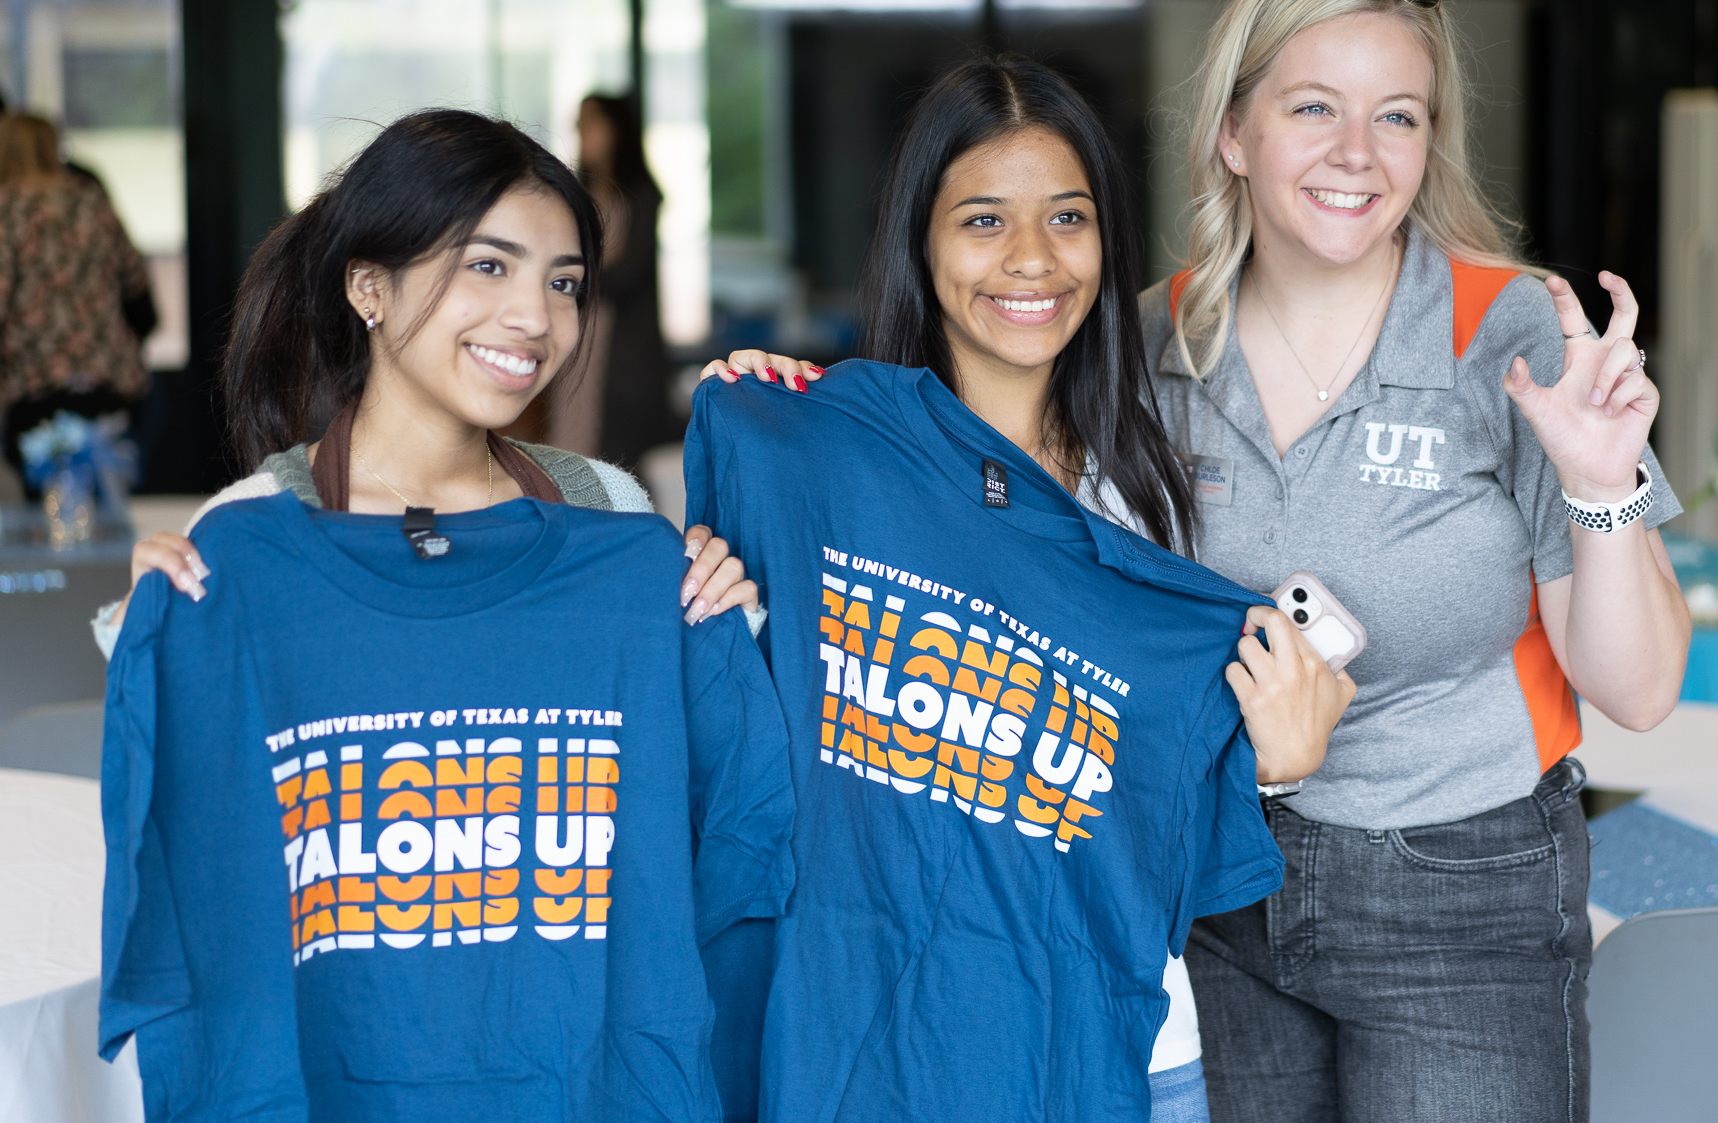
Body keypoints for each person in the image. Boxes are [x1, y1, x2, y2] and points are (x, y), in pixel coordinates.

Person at [696, 56, 1354, 1123]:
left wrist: (1273, 768)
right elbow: (739, 747)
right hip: (855, 1049)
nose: (1032, 260)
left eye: (1066, 218)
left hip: (1098, 1049)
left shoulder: (1157, 487)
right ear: (922, 239)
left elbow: (1158, 785)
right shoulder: (827, 464)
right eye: (983, 222)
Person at [1141, 0, 1691, 1123]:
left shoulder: (1516, 333)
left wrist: (1600, 487)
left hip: (1463, 887)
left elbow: (1639, 691)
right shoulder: (1151, 344)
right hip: (1213, 879)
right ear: (1232, 133)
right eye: (1310, 109)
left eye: (1397, 115)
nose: (1356, 153)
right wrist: (790, 398)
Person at [98, 108, 753, 654]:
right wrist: (150, 630)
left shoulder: (604, 505)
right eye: (489, 266)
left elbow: (684, 744)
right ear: (369, 286)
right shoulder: (253, 527)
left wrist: (727, 615)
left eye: (563, 283)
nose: (534, 317)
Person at [0, 111, 155, 492]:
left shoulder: (5, 212)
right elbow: (142, 300)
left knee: (44, 522)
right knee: (112, 508)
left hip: (33, 390)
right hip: (109, 384)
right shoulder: (91, 201)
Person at [556, 92, 674, 471]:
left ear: (616, 130)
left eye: (591, 122)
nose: (580, 131)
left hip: (621, 352)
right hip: (578, 344)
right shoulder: (575, 196)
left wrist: (573, 274)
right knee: (572, 447)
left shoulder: (640, 196)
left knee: (619, 458)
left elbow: (627, 276)